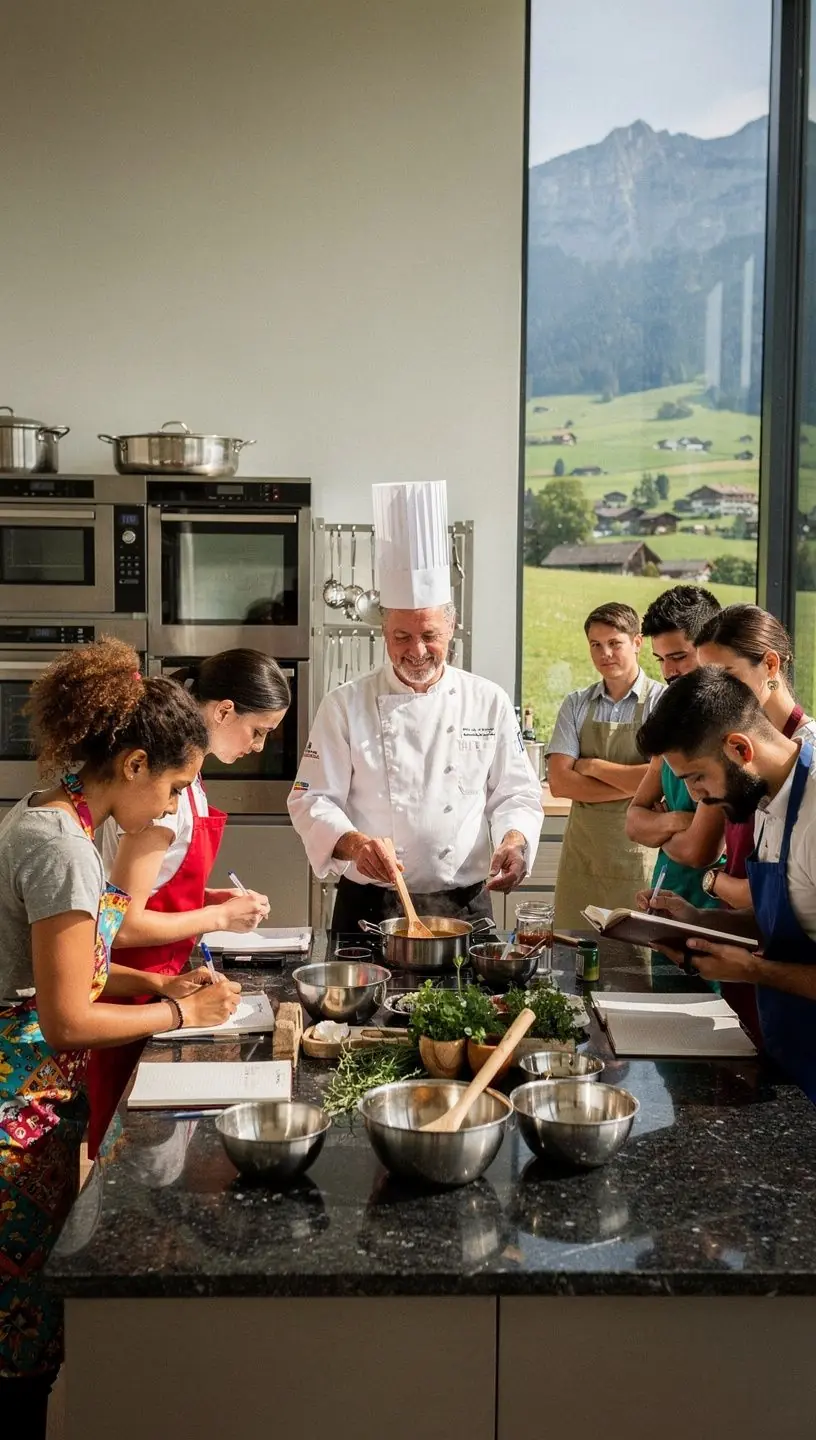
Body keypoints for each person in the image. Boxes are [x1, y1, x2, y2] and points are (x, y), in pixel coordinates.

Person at [0, 638, 240, 1435]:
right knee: (16, 1337)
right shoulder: (63, 849)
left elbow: (78, 967)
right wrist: (181, 1016)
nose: (174, 809)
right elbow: (67, 1018)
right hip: (13, 1112)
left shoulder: (58, 815)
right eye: (175, 787)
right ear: (134, 764)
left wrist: (159, 983)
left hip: (31, 1098)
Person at [288, 482, 543, 934]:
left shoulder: (488, 700)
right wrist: (352, 844)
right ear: (383, 632)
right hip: (367, 907)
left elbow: (517, 793)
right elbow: (311, 799)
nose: (417, 650)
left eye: (430, 635)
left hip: (466, 905)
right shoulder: (344, 705)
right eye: (401, 636)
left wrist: (514, 841)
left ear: (452, 628)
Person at [90, 649, 289, 1153]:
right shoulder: (161, 795)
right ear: (223, 711)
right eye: (258, 730)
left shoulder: (187, 781)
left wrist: (208, 898)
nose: (259, 746)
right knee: (134, 1160)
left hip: (162, 985)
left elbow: (152, 890)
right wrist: (219, 915)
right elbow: (123, 924)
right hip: (128, 994)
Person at [635, 665, 816, 1101]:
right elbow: (784, 917)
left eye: (697, 778)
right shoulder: (765, 802)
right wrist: (697, 920)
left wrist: (753, 969)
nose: (697, 796)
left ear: (739, 748)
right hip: (791, 1060)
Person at [547, 602, 664, 928]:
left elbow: (661, 780)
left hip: (636, 862)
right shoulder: (576, 703)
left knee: (635, 966)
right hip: (581, 862)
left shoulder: (661, 702)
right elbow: (560, 784)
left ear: (637, 643)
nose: (605, 653)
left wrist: (594, 766)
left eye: (615, 643)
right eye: (596, 645)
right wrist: (634, 783)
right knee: (573, 961)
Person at [695, 605, 816, 910]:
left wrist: (715, 882)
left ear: (770, 665)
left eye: (726, 678)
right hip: (745, 930)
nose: (712, 697)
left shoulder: (808, 758)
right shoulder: (734, 746)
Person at [626, 586, 725, 907]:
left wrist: (659, 832)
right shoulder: (671, 716)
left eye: (679, 657)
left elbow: (700, 851)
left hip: (714, 911)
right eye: (661, 660)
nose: (669, 672)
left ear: (712, 647)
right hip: (665, 900)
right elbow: (633, 822)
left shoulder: (730, 725)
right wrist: (678, 822)